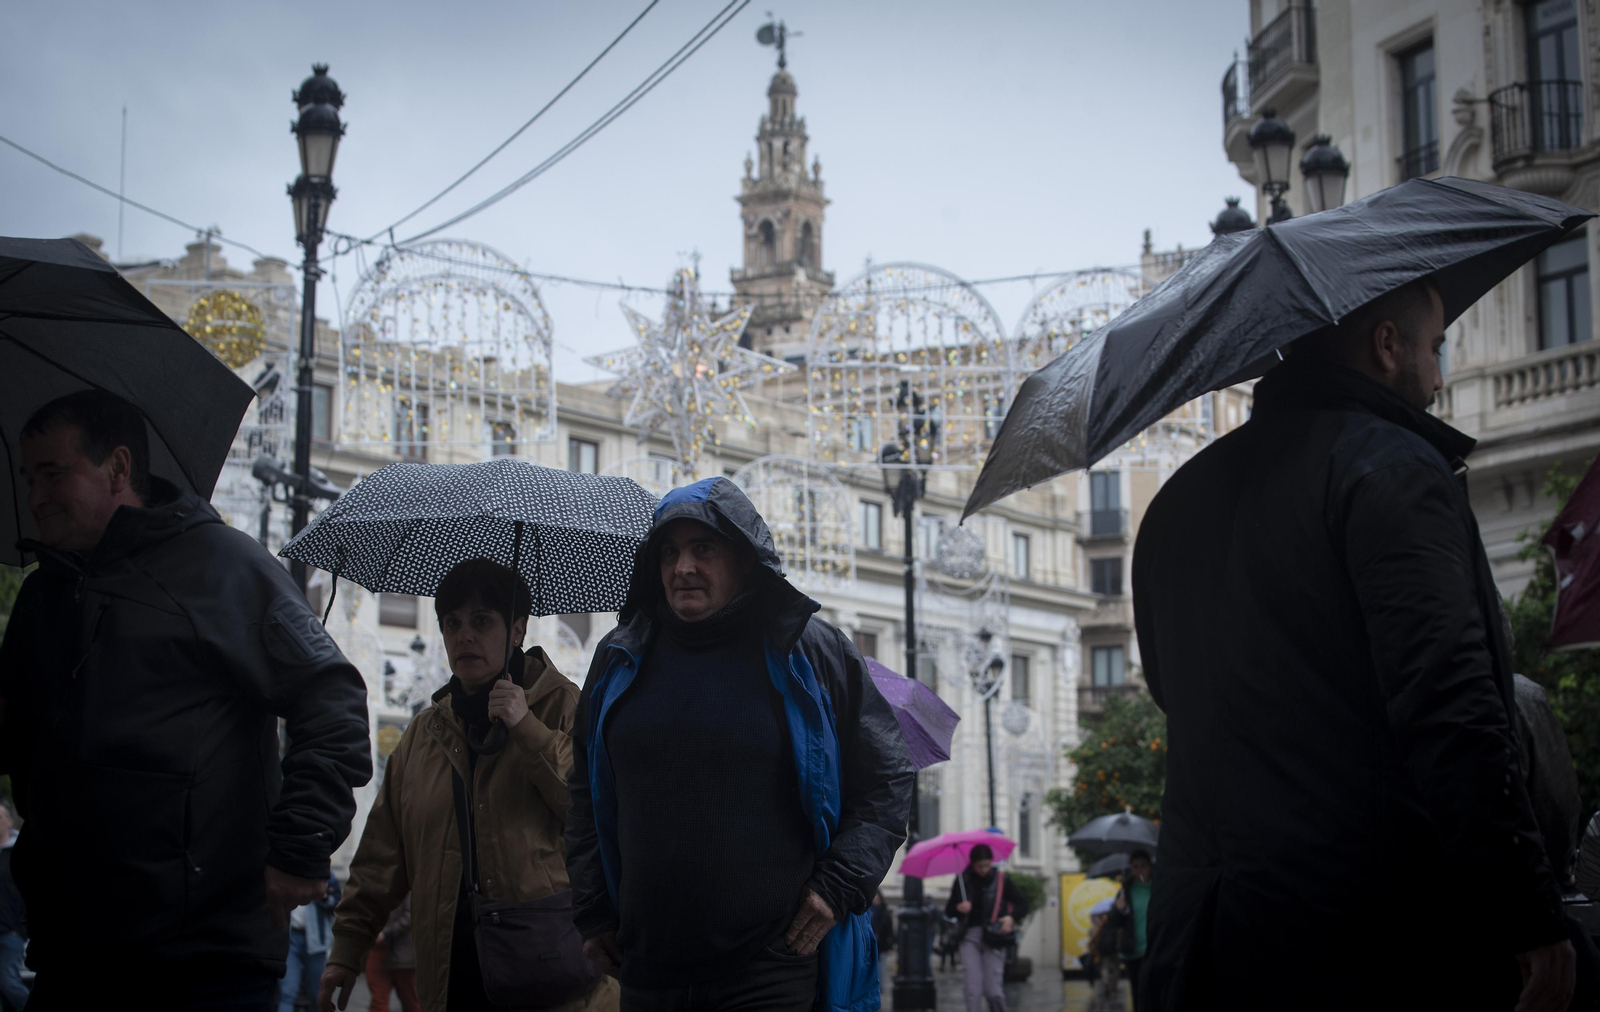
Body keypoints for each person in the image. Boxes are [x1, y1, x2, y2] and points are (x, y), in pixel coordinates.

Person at [1132, 279, 1576, 1010]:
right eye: (1435, 349)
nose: (1439, 377)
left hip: (1201, 939)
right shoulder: (1392, 467)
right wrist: (1528, 911)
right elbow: (1451, 706)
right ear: (1387, 345)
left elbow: (1169, 690)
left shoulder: (1175, 503)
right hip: (1360, 938)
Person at [0, 390, 371, 1008]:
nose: (36, 496)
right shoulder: (44, 597)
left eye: (53, 473)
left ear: (118, 468)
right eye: (28, 478)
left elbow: (332, 699)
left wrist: (300, 846)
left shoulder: (221, 567)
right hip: (70, 952)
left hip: (200, 963)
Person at [566, 477, 913, 1012]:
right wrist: (592, 911)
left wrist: (838, 885)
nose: (683, 567)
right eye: (669, 552)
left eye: (703, 548)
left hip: (769, 969)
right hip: (647, 969)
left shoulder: (807, 649)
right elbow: (584, 795)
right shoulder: (619, 656)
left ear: (746, 559)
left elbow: (886, 777)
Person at [319, 558, 618, 1012]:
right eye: (452, 623)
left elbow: (593, 807)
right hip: (450, 980)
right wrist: (346, 950)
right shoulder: (425, 734)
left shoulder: (564, 707)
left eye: (481, 621)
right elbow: (382, 855)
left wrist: (526, 728)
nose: (464, 636)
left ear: (517, 629)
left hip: (551, 978)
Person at [943, 843, 1028, 1012]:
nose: (983, 869)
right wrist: (959, 908)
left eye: (987, 865)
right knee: (972, 990)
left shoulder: (1001, 880)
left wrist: (1011, 918)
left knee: (993, 991)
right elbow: (949, 910)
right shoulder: (963, 880)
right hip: (969, 937)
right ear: (973, 865)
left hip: (994, 937)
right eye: (979, 866)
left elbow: (1022, 904)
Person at [281, 873, 342, 1012]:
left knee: (318, 994)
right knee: (287, 993)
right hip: (291, 939)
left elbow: (337, 905)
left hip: (316, 942)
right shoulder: (288, 872)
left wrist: (323, 897)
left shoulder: (327, 877)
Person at [364, 895, 419, 1012]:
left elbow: (411, 915)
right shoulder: (372, 887)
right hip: (378, 951)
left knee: (410, 1001)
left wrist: (386, 933)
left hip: (402, 954)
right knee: (378, 1001)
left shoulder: (407, 889)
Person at [1111, 852, 1151, 1011]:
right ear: (1131, 868)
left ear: (1150, 867)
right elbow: (1114, 922)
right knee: (1138, 991)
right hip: (1133, 951)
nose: (1140, 870)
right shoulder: (1125, 891)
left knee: (1153, 990)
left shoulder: (1157, 887)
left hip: (1153, 949)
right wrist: (1118, 909)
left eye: (1143, 866)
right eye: (1135, 866)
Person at [0, 802, 25, 1012]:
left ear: (9, 820)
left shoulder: (19, 853)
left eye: (0, 818)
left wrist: (21, 929)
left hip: (11, 933)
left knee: (8, 982)